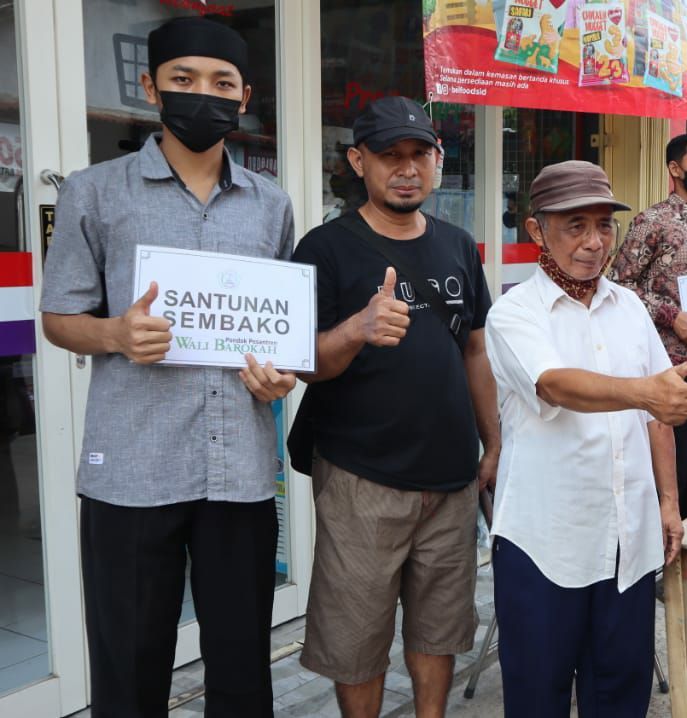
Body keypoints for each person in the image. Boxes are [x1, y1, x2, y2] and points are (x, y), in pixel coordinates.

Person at [38, 17, 293, 716]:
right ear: (151, 87)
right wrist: (117, 333)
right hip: (132, 468)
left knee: (242, 670)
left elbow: (281, 326)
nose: (201, 95)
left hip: (238, 474)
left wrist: (281, 375)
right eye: (183, 80)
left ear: (245, 99)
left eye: (221, 84)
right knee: (129, 668)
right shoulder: (95, 192)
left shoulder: (271, 205)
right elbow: (58, 318)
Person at [290, 96, 498, 718]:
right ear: (359, 161)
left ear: (436, 161)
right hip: (362, 478)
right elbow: (305, 363)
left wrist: (493, 442)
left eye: (419, 155)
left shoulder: (460, 245)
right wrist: (356, 327)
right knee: (357, 637)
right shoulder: (324, 248)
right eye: (389, 156)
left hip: (451, 477)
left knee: (439, 628)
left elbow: (475, 350)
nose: (407, 169)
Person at [484, 161, 687, 717]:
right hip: (543, 543)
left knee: (621, 696)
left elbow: (657, 415)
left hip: (628, 539)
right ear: (537, 231)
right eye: (574, 225)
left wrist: (668, 503)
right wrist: (647, 394)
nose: (593, 242)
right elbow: (554, 386)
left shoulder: (628, 307)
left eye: (604, 225)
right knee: (537, 698)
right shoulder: (513, 312)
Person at [610, 129, 687, 606]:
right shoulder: (650, 222)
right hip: (667, 365)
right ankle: (662, 567)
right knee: (670, 472)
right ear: (676, 169)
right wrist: (669, 314)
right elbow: (619, 285)